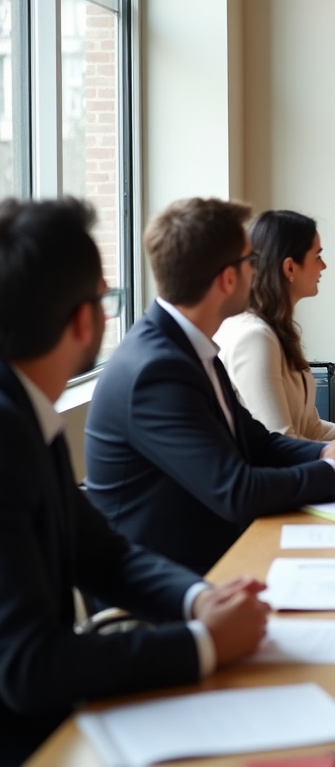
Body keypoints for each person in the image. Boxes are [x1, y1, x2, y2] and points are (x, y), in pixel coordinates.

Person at [0, 198, 268, 766]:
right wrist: (203, 644)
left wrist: (200, 600)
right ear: (82, 319)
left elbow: (106, 556)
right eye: (104, 296)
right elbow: (28, 667)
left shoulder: (25, 413)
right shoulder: (7, 434)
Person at [85, 198, 335, 575]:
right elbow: (235, 491)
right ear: (227, 278)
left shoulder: (188, 348)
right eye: (251, 262)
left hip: (214, 559)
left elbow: (256, 442)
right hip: (173, 583)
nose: (259, 272)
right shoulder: (157, 370)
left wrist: (327, 454)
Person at [215, 210, 335, 469]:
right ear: (290, 267)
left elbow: (311, 428)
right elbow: (280, 443)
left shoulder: (278, 331)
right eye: (317, 256)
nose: (324, 266)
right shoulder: (254, 338)